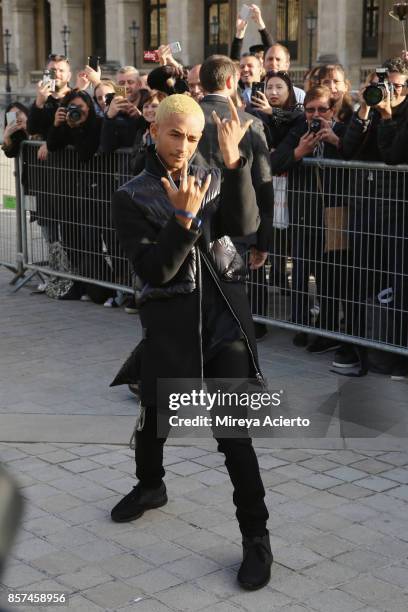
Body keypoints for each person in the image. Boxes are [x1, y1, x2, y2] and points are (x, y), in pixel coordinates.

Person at [111, 94, 273, 590]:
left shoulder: (215, 176)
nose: (184, 146)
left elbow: (245, 227)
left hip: (224, 321)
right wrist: (182, 222)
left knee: (233, 435)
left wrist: (236, 165)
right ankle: (150, 486)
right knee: (156, 416)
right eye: (175, 134)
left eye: (193, 137)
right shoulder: (133, 194)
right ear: (154, 132)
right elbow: (155, 270)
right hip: (170, 322)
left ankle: (257, 538)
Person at [195, 55, 275, 341]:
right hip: (235, 224)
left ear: (202, 83)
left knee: (195, 296)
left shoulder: (187, 116)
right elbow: (263, 183)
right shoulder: (249, 122)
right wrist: (262, 240)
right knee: (231, 296)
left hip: (190, 220)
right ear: (232, 81)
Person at [340, 58, 408, 374]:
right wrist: (366, 108)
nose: (389, 91)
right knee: (363, 276)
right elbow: (348, 149)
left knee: (397, 281)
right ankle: (362, 347)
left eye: (396, 85)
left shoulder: (402, 113)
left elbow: (393, 156)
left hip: (397, 208)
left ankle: (394, 352)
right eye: (384, 85)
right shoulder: (372, 105)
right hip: (366, 206)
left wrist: (389, 116)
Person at [272, 85, 349, 353]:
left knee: (329, 274)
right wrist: (298, 152)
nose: (316, 115)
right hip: (303, 213)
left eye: (322, 109)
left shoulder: (341, 131)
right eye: (310, 110)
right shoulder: (298, 132)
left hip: (332, 216)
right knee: (302, 271)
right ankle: (302, 325)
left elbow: (355, 157)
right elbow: (275, 161)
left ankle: (327, 329)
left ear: (332, 110)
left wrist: (335, 142)